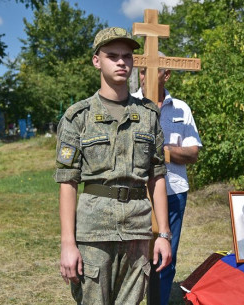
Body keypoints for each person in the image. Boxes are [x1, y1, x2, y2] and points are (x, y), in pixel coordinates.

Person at [54, 27, 172, 305]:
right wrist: (67, 243)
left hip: (137, 229)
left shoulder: (147, 116)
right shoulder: (78, 117)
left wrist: (163, 234)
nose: (122, 62)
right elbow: (67, 182)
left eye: (127, 56)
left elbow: (157, 177)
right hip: (94, 232)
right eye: (112, 56)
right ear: (97, 61)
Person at [132, 52, 202, 305]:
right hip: (136, 193)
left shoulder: (181, 108)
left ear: (167, 74)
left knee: (165, 256)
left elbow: (193, 153)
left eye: (152, 70)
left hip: (173, 191)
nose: (145, 76)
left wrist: (162, 153)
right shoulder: (128, 105)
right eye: (141, 71)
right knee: (132, 258)